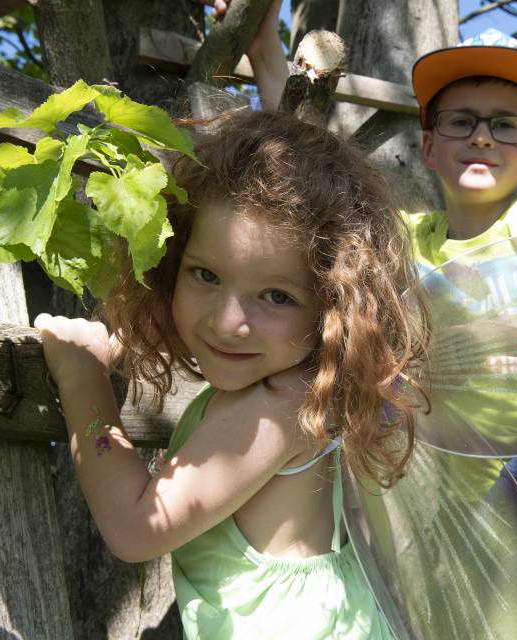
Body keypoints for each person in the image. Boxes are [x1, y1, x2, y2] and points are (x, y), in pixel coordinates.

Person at [239, 3, 517, 637]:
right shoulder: (401, 239)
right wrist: (265, 55)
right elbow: (306, 175)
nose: (482, 136)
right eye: (461, 121)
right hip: (427, 479)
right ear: (428, 146)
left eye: (506, 125)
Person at [35, 109, 427, 639]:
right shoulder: (311, 385)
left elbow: (136, 529)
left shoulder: (280, 405)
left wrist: (82, 379)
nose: (228, 322)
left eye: (276, 296)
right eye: (206, 275)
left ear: (330, 312)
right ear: (171, 266)